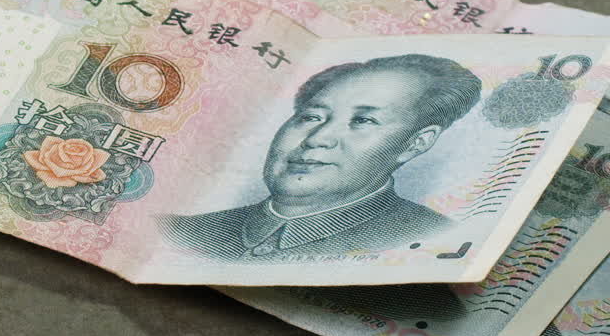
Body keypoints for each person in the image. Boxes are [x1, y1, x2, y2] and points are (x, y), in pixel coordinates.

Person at [159, 54, 482, 260]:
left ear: (415, 143)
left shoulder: (429, 244)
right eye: (311, 117)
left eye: (363, 121)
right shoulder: (181, 233)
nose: (318, 139)